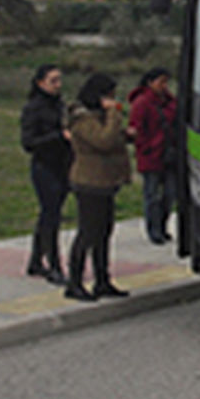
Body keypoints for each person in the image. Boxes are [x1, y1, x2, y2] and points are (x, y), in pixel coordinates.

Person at [64, 72, 133, 301]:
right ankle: (74, 282)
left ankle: (102, 280)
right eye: (109, 96)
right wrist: (114, 113)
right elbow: (103, 141)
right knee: (88, 232)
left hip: (106, 182)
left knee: (104, 232)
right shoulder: (82, 118)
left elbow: (111, 137)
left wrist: (126, 135)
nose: (113, 100)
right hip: (89, 182)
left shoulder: (97, 116)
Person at [19, 64, 71, 286]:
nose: (58, 85)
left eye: (59, 80)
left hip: (63, 164)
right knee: (51, 216)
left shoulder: (60, 105)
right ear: (40, 83)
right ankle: (54, 265)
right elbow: (29, 143)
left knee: (49, 214)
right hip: (45, 166)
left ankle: (35, 260)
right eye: (53, 81)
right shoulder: (34, 108)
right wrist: (59, 136)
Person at [129, 67, 178, 245]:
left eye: (166, 82)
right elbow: (136, 129)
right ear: (150, 83)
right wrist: (147, 147)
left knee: (170, 193)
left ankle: (163, 225)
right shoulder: (142, 103)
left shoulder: (171, 102)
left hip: (170, 153)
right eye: (161, 82)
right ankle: (154, 229)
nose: (164, 86)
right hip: (152, 154)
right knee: (152, 194)